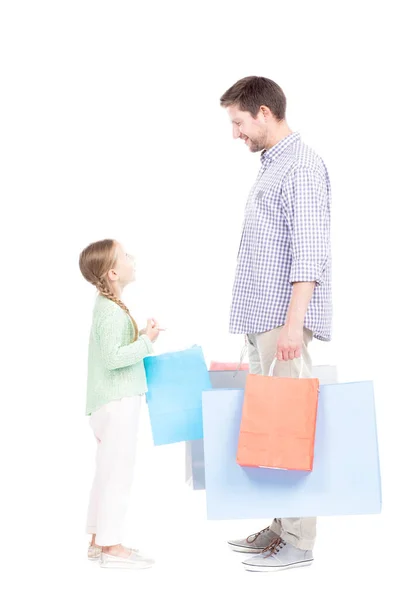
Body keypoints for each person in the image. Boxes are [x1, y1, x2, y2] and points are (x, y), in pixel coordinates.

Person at [220, 76, 332, 572]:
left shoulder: (301, 167)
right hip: (261, 322)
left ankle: (299, 541)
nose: (236, 133)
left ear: (264, 112)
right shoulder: (275, 165)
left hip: (281, 325)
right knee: (269, 429)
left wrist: (292, 327)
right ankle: (280, 527)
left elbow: (308, 256)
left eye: (239, 122)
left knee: (289, 429)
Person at [79, 238, 162, 569]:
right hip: (118, 400)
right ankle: (112, 547)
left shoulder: (107, 306)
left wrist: (139, 336)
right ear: (113, 272)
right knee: (118, 473)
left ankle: (99, 538)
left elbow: (111, 350)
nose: (132, 258)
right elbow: (114, 359)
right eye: (126, 256)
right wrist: (146, 341)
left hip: (107, 402)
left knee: (107, 471)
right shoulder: (111, 311)